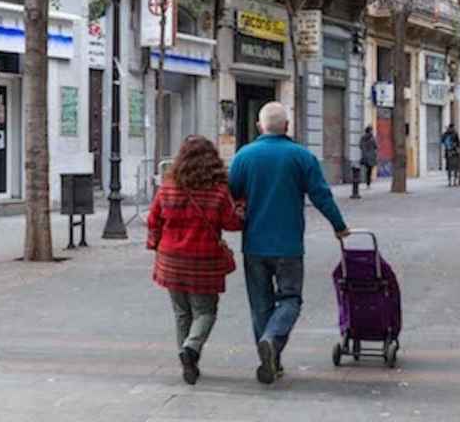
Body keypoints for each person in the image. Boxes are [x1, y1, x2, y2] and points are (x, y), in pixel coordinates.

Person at [229, 102, 349, 385]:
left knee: (260, 306)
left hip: (254, 245)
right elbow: (321, 195)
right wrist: (339, 226)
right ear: (287, 126)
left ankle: (271, 359)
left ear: (260, 126)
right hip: (289, 245)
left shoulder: (244, 156)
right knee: (290, 299)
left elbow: (231, 195)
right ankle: (272, 341)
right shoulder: (301, 156)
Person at [147, 135, 244, 385]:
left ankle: (187, 363)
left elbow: (153, 219)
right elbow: (232, 224)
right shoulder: (218, 191)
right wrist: (242, 210)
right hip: (204, 261)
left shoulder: (168, 186)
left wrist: (155, 245)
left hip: (171, 259)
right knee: (205, 311)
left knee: (182, 313)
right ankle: (190, 349)